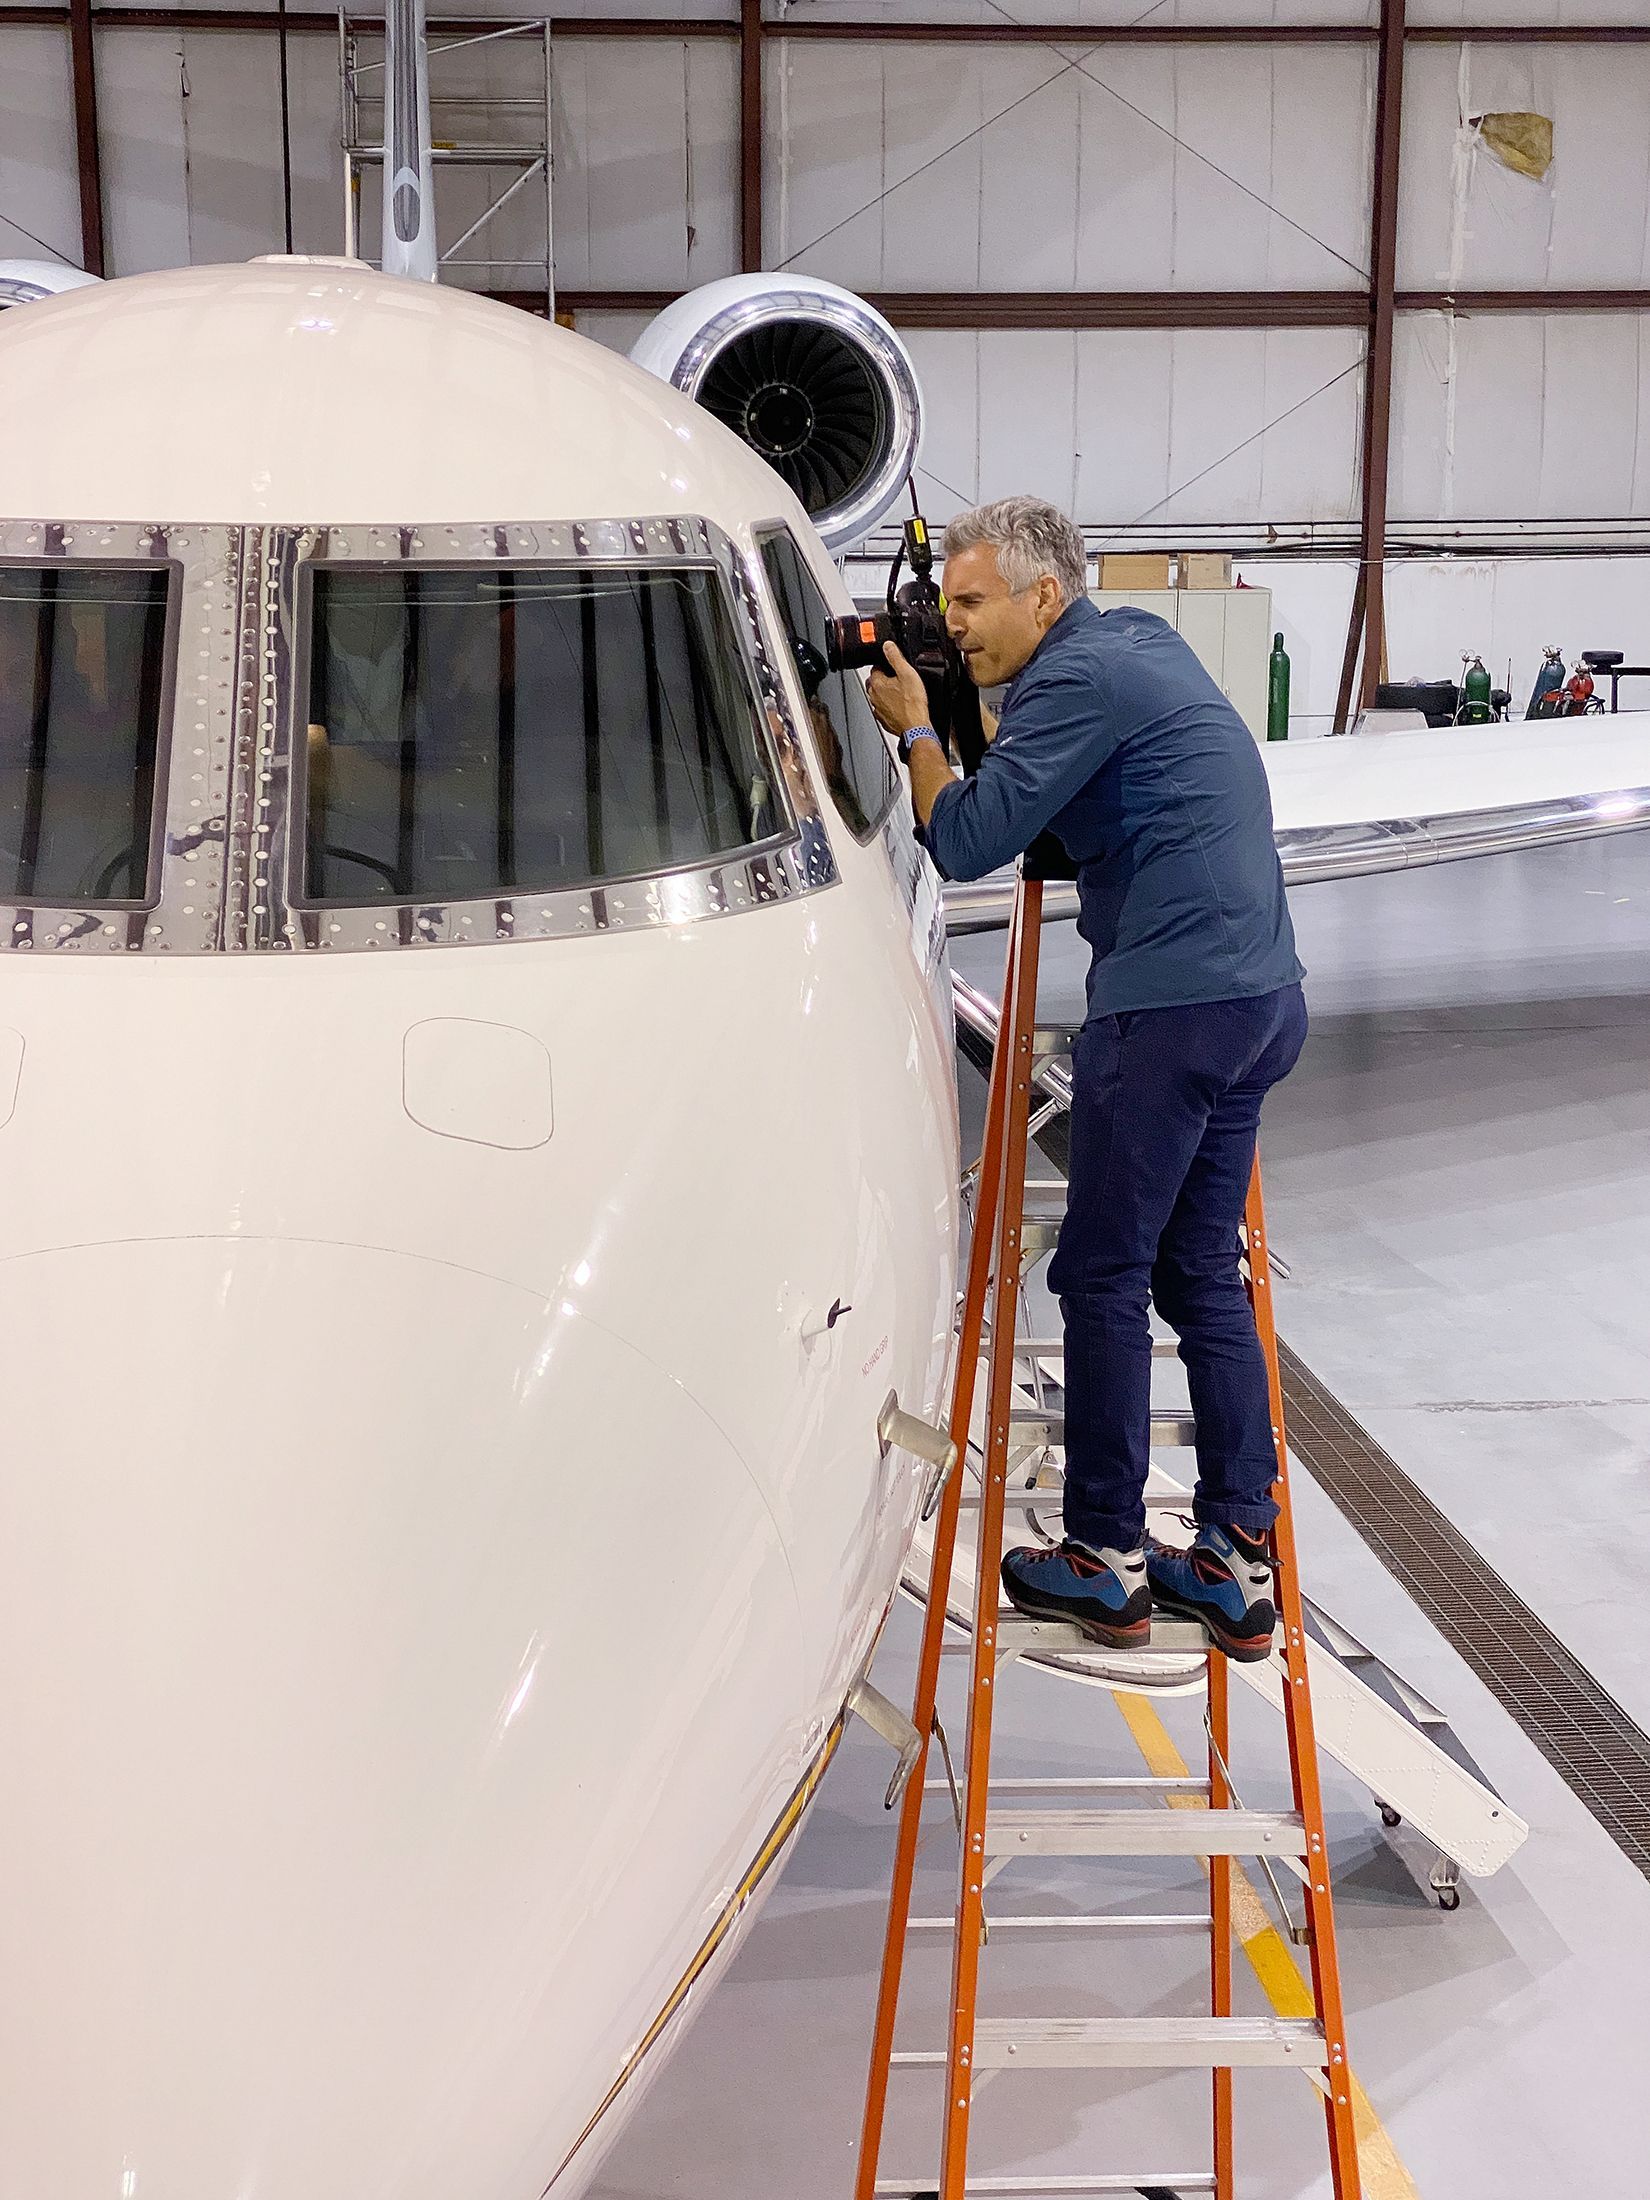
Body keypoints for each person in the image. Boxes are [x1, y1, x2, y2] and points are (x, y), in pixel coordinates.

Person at [867, 497, 1306, 1663]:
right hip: (1263, 1002)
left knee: (1101, 1273)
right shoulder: (1142, 645)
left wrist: (918, 731)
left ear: (1041, 597)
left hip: (1169, 1016)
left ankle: (1105, 1556)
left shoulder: (1070, 684)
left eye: (970, 603)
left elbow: (962, 844)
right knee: (1200, 1272)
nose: (954, 626)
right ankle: (1234, 1558)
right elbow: (1063, 819)